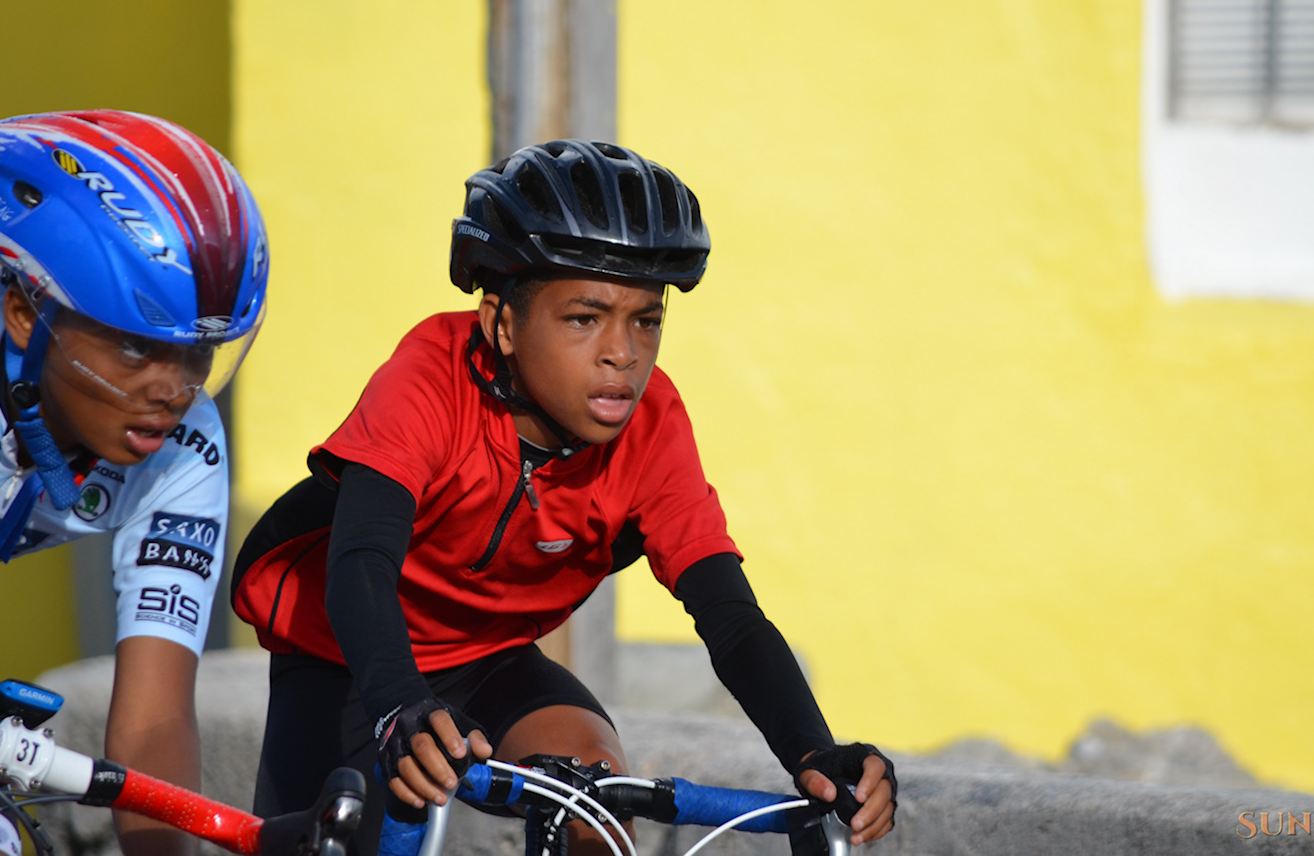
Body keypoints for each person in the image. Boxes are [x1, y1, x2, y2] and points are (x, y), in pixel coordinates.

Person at [233, 140, 897, 855]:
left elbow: (730, 618)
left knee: (596, 804)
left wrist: (813, 752)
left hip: (489, 658)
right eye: (585, 318)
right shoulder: (429, 376)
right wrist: (398, 706)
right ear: (503, 325)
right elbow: (361, 559)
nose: (624, 353)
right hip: (351, 657)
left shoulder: (653, 424)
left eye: (646, 320)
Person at [0, 110, 269, 856]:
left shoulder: (186, 448)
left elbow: (153, 720)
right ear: (23, 314)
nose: (173, 391)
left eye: (198, 355)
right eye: (139, 348)